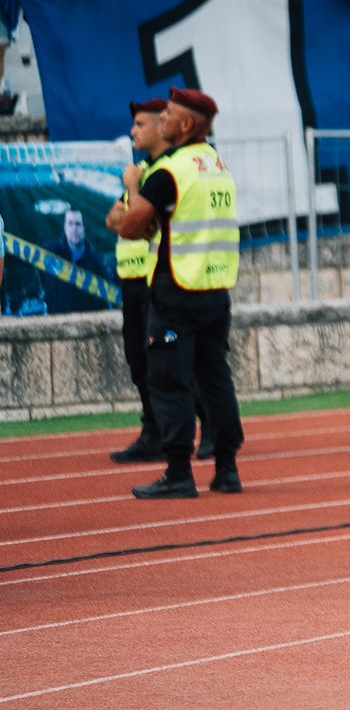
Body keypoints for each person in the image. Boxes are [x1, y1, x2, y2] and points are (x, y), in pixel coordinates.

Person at [109, 88, 244, 499]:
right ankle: (226, 469)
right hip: (215, 289)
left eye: (168, 114)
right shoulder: (216, 166)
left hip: (175, 291)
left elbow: (131, 226)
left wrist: (133, 186)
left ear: (187, 125)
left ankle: (179, 472)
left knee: (169, 381)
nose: (162, 120)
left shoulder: (171, 171)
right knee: (216, 379)